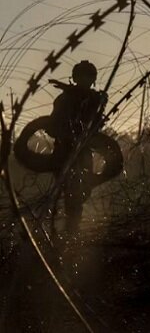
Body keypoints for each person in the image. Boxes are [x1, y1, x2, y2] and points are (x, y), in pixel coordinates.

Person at [46, 60, 106, 234]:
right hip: (65, 151)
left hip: (82, 152)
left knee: (79, 193)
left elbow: (96, 126)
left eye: (89, 77)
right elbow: (52, 127)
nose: (86, 81)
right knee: (69, 194)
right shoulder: (65, 99)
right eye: (83, 77)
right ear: (76, 78)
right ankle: (67, 231)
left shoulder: (94, 99)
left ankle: (71, 230)